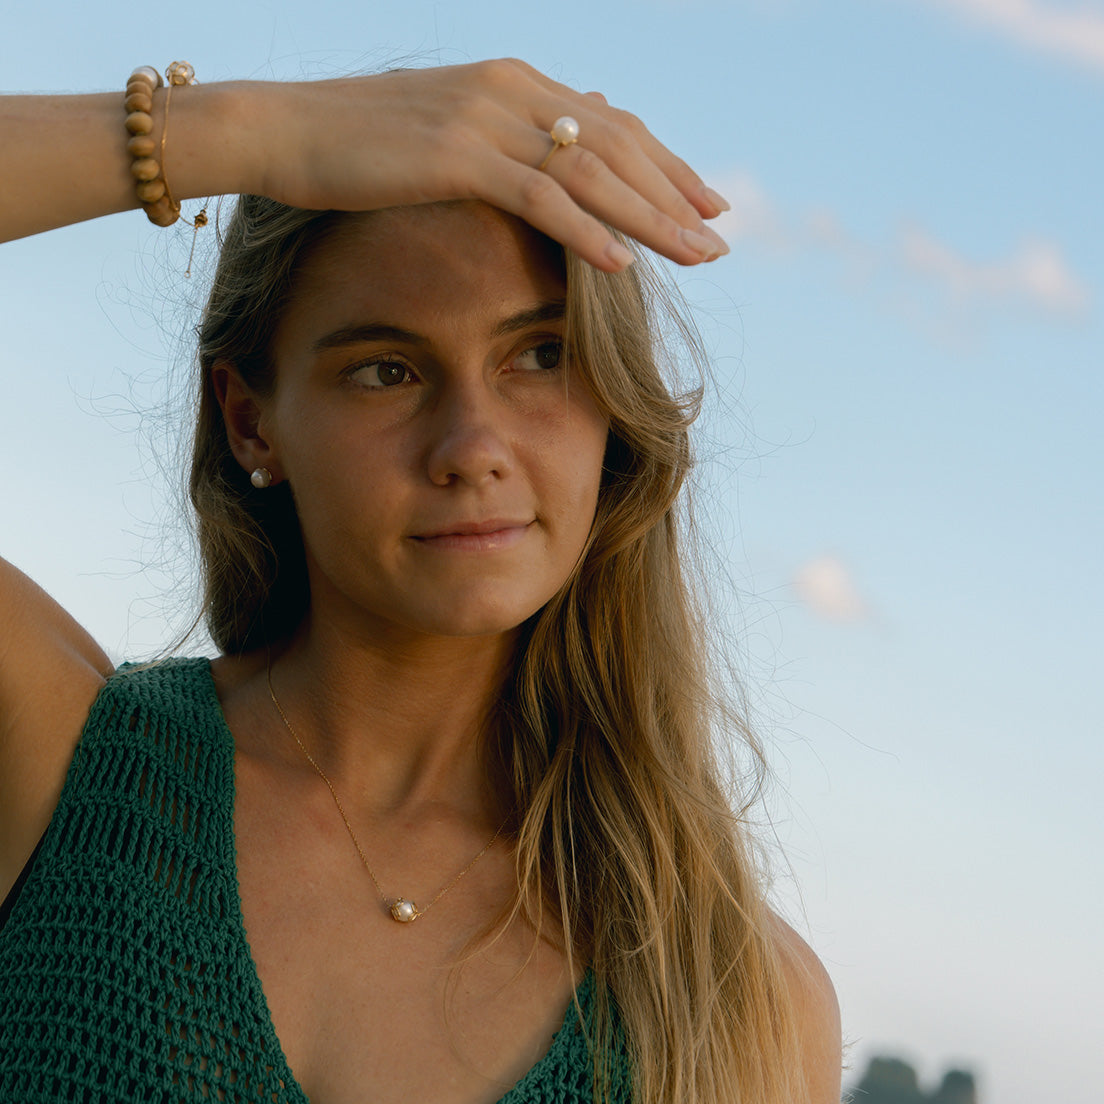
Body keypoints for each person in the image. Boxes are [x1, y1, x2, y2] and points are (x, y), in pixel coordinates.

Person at [0, 59, 841, 1103]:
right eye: (386, 369)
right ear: (250, 418)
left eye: (539, 354)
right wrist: (245, 132)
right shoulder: (61, 763)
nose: (471, 445)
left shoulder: (734, 996)